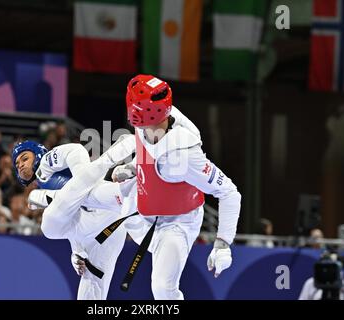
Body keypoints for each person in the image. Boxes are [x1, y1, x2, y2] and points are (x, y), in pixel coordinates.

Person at [104, 74, 242, 300]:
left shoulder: (182, 156)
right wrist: (132, 167)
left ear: (139, 110)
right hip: (141, 208)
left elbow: (229, 192)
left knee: (162, 290)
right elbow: (148, 149)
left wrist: (222, 244)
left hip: (176, 223)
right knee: (89, 198)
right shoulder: (150, 119)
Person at [12, 138, 135, 299]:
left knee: (48, 224)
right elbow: (72, 220)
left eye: (25, 158)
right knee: (92, 283)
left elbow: (77, 150)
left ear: (37, 154)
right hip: (103, 226)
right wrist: (77, 251)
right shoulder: (45, 185)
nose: (20, 164)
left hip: (105, 211)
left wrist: (83, 179)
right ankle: (133, 191)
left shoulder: (47, 164)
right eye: (17, 164)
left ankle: (136, 185)